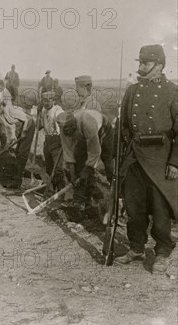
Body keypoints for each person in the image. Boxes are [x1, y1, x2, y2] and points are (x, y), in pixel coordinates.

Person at [114, 44, 177, 275]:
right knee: (134, 206)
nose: (140, 67)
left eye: (145, 63)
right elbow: (122, 128)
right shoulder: (132, 90)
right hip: (134, 157)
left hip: (160, 158)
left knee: (160, 209)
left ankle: (162, 251)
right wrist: (119, 157)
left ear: (159, 66)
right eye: (139, 63)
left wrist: (174, 162)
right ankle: (137, 247)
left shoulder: (172, 91)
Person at [56, 109, 114, 218]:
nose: (67, 131)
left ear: (74, 124)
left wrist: (84, 173)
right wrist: (73, 176)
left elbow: (95, 152)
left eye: (69, 129)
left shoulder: (88, 124)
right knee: (79, 163)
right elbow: (69, 154)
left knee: (108, 162)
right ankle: (83, 202)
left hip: (103, 129)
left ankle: (115, 194)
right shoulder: (64, 128)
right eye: (65, 129)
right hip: (83, 135)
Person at [39, 91, 65, 193]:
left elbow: (62, 128)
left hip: (57, 139)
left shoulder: (58, 111)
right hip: (47, 140)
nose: (47, 103)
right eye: (45, 100)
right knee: (49, 167)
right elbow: (39, 127)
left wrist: (62, 143)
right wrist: (38, 114)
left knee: (58, 168)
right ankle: (52, 190)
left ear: (54, 101)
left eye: (50, 100)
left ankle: (61, 191)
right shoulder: (43, 111)